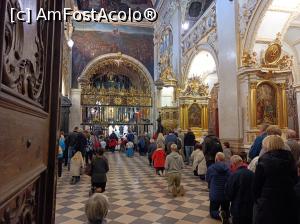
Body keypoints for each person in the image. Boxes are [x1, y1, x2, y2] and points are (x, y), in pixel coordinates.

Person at [253, 135, 298, 224]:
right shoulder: (290, 159)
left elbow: (256, 188)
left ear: (266, 146)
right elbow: (295, 180)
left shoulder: (263, 162)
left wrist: (259, 201)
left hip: (268, 204)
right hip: (288, 201)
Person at [225, 155, 254, 224]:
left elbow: (229, 194)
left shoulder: (234, 176)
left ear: (234, 164)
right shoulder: (252, 174)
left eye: (231, 166)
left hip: (238, 209)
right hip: (251, 209)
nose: (231, 169)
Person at [206, 152, 230, 224]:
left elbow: (207, 179)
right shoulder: (228, 168)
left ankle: (219, 214)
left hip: (215, 194)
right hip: (226, 194)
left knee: (212, 212)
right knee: (226, 210)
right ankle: (225, 214)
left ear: (216, 159)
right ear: (224, 159)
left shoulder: (211, 168)